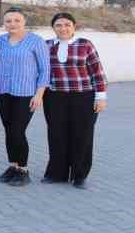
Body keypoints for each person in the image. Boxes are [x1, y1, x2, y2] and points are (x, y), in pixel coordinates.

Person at [43, 13, 108, 189]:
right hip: (55, 97)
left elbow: (97, 71)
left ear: (74, 26)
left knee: (83, 136)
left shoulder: (85, 44)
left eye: (67, 24)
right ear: (53, 27)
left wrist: (101, 96)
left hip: (84, 96)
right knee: (56, 135)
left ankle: (80, 176)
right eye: (58, 25)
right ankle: (57, 173)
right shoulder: (47, 45)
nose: (63, 28)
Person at [0, 7, 50, 186]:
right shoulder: (0, 40)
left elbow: (45, 70)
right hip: (3, 92)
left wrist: (39, 94)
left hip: (26, 94)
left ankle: (23, 170)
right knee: (9, 131)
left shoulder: (36, 41)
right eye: (8, 21)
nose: (12, 24)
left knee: (18, 131)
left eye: (17, 20)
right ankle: (13, 166)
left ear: (24, 21)